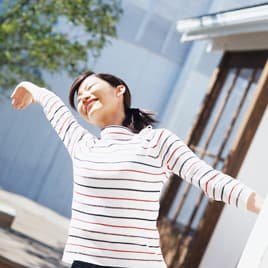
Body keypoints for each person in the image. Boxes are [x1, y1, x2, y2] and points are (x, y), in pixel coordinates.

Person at [10, 71, 263, 268]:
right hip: (85, 262)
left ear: (119, 90)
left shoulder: (155, 141)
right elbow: (55, 109)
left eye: (89, 87)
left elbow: (211, 180)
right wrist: (30, 88)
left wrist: (262, 207)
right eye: (79, 99)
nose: (83, 97)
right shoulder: (83, 146)